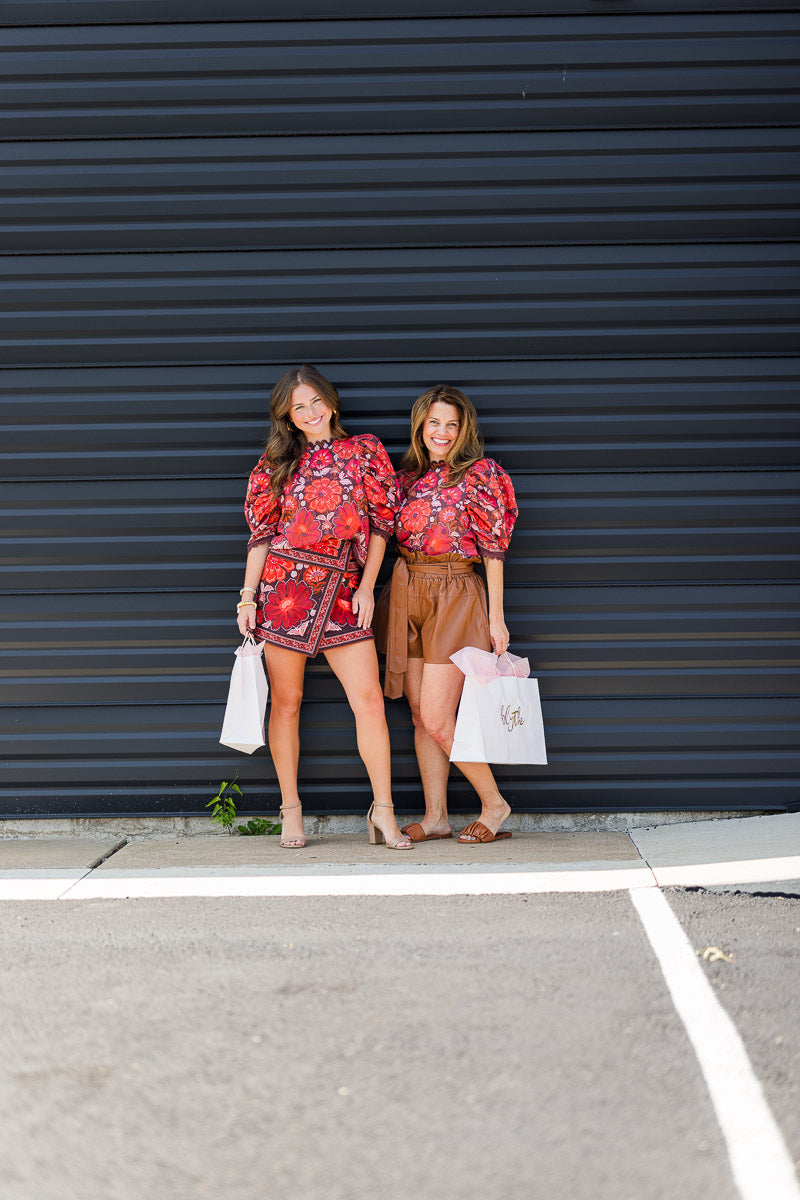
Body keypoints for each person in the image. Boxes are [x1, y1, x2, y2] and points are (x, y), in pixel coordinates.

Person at [236, 365, 412, 850]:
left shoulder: (364, 451)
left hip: (342, 589)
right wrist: (248, 596)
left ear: (331, 402)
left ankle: (384, 812)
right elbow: (263, 535)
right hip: (284, 590)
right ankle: (291, 811)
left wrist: (366, 588)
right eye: (298, 408)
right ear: (287, 418)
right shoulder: (275, 462)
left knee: (370, 702)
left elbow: (381, 525)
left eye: (316, 402)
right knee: (286, 703)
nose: (310, 413)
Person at [375, 385, 518, 844]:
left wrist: (497, 618)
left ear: (464, 430)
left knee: (438, 716)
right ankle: (436, 815)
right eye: (433, 422)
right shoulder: (407, 479)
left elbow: (494, 549)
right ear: (421, 426)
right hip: (408, 590)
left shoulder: (480, 474)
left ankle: (494, 804)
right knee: (420, 715)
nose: (442, 432)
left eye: (451, 424)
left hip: (456, 593)